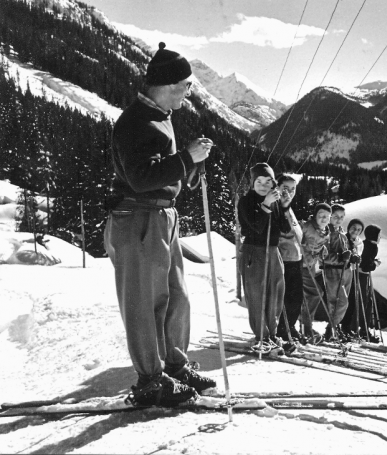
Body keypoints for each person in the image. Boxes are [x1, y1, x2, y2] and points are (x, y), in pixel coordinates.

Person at [104, 42, 216, 407]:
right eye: (186, 86)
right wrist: (186, 157)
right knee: (144, 302)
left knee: (176, 298)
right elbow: (139, 177)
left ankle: (174, 366)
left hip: (161, 216)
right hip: (137, 218)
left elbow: (163, 171)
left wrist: (190, 165)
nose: (189, 93)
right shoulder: (135, 121)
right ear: (168, 84)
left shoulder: (160, 116)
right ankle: (151, 380)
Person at [237, 163, 290, 351]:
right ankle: (261, 335)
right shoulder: (246, 201)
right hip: (254, 251)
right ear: (252, 183)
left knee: (276, 292)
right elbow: (256, 226)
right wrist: (266, 205)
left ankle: (273, 334)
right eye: (258, 181)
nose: (263, 185)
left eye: (268, 181)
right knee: (257, 294)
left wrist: (283, 207)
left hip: (273, 251)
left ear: (273, 183)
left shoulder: (273, 201)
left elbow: (285, 229)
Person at [274, 174, 304, 341]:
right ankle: (281, 328)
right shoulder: (276, 206)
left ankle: (289, 326)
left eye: (292, 189)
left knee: (296, 297)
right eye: (285, 188)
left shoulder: (288, 206)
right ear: (277, 187)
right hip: (282, 258)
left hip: (295, 258)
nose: (289, 193)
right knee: (285, 297)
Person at [300, 203, 331, 343]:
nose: (324, 219)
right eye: (321, 216)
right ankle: (306, 326)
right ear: (315, 216)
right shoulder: (307, 226)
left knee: (311, 294)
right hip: (302, 264)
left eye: (326, 216)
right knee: (315, 292)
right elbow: (298, 241)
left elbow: (319, 244)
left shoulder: (325, 230)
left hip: (311, 265)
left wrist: (322, 251)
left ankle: (306, 326)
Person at [322, 204, 353, 341]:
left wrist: (351, 257)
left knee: (341, 302)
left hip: (345, 271)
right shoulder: (326, 233)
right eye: (335, 217)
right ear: (330, 217)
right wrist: (340, 257)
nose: (339, 219)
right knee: (338, 302)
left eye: (341, 217)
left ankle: (333, 328)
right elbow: (324, 256)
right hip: (332, 271)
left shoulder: (342, 233)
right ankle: (331, 328)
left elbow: (345, 252)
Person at [354, 224, 382, 342]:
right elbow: (366, 266)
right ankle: (363, 330)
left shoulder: (364, 243)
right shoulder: (372, 246)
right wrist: (375, 264)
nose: (380, 238)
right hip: (362, 276)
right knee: (365, 302)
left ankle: (360, 328)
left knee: (364, 301)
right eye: (379, 235)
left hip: (357, 274)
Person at [340, 219, 365, 339]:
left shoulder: (359, 242)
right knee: (343, 299)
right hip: (343, 272)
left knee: (352, 300)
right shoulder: (343, 239)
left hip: (353, 272)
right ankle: (337, 326)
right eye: (354, 228)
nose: (356, 231)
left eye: (359, 229)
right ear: (349, 227)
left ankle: (346, 326)